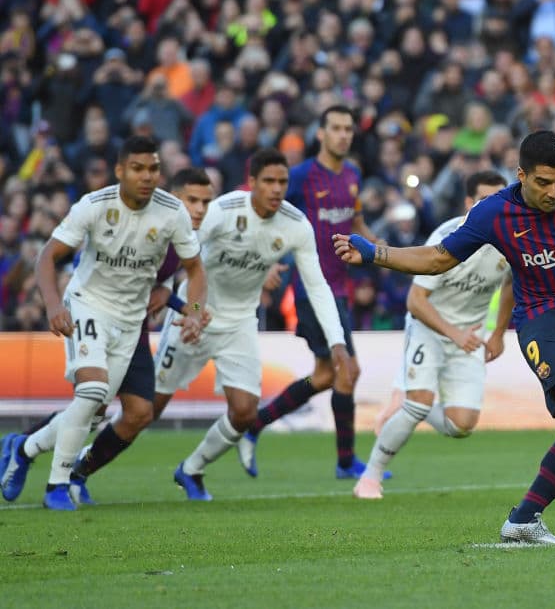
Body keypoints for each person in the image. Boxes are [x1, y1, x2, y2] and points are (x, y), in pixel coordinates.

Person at [334, 131, 555, 545]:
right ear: (521, 175)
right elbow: (438, 259)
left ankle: (523, 519)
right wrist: (376, 252)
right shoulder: (493, 212)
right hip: (543, 320)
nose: (554, 191)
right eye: (543, 182)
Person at [0, 136, 206, 511]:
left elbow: (195, 269)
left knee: (94, 413)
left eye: (153, 169)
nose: (147, 177)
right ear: (120, 171)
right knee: (93, 392)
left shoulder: (171, 212)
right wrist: (51, 305)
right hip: (89, 305)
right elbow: (48, 255)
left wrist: (192, 309)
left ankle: (23, 447)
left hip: (131, 322)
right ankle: (58, 486)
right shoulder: (94, 205)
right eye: (138, 169)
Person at [161, 148, 349, 501]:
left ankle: (192, 469)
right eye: (269, 181)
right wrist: (174, 297)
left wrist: (336, 340)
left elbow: (317, 286)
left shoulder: (295, 224)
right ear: (252, 183)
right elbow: (186, 253)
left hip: (240, 323)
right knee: (146, 408)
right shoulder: (225, 209)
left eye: (282, 182)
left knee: (246, 411)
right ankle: (78, 468)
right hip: (195, 315)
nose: (277, 189)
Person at [236, 106, 380, 480]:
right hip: (312, 289)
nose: (344, 135)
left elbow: (356, 218)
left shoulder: (351, 175)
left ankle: (256, 422)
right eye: (336, 128)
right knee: (347, 369)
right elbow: (260, 213)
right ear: (321, 133)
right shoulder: (298, 177)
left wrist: (379, 250)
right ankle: (346, 463)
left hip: (340, 288)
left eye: (349, 129)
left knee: (324, 375)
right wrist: (265, 259)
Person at [353, 171, 514, 500]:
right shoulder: (447, 236)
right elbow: (416, 300)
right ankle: (370, 477)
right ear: (469, 203)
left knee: (462, 425)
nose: (494, 206)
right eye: (485, 199)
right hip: (429, 327)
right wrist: (454, 334)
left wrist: (498, 333)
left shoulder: (509, 238)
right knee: (418, 404)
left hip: (468, 336)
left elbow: (511, 283)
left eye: (500, 198)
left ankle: (405, 404)